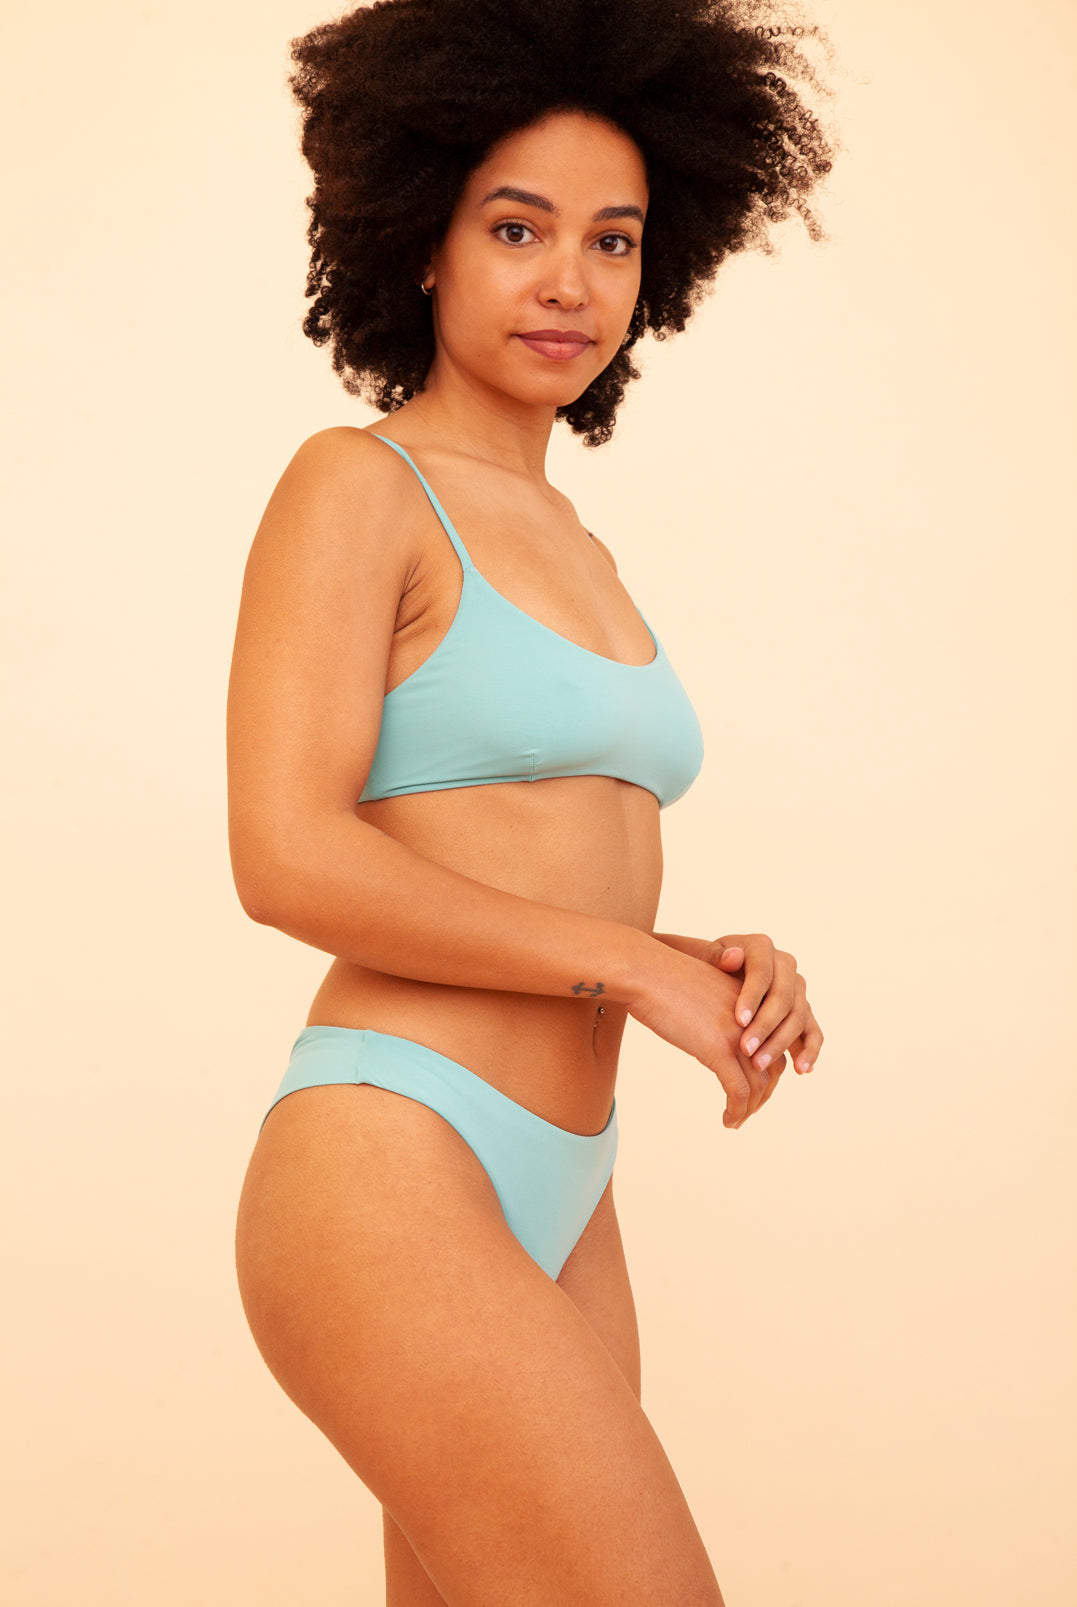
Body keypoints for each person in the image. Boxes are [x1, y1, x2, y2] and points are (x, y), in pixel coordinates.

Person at [227, 1, 836, 1601]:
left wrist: (693, 956)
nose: (571, 280)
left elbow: (520, 860)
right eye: (517, 228)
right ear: (421, 242)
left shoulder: (579, 543)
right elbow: (285, 854)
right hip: (394, 1152)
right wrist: (625, 967)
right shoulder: (357, 485)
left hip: (565, 1186)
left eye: (612, 240)